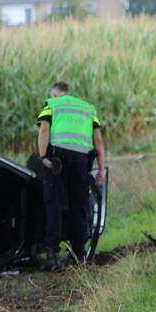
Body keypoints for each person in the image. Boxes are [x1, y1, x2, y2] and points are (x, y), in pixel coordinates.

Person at [37, 80, 106, 269]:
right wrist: (100, 170)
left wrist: (43, 156)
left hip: (58, 158)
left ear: (55, 94)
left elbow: (44, 130)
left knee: (54, 203)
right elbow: (98, 140)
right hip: (81, 161)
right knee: (79, 205)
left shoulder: (52, 104)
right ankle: (79, 254)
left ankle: (52, 254)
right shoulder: (87, 108)